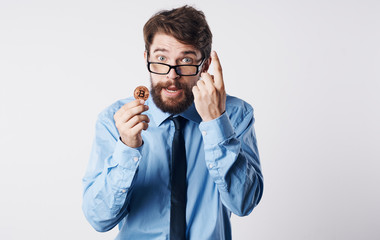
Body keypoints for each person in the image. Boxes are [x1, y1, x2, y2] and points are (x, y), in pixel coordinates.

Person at [82, 5, 263, 240]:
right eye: (161, 59)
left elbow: (244, 203)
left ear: (205, 64)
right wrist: (127, 148)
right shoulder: (116, 120)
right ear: (146, 57)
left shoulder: (235, 115)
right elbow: (99, 218)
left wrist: (216, 123)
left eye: (186, 60)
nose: (171, 76)